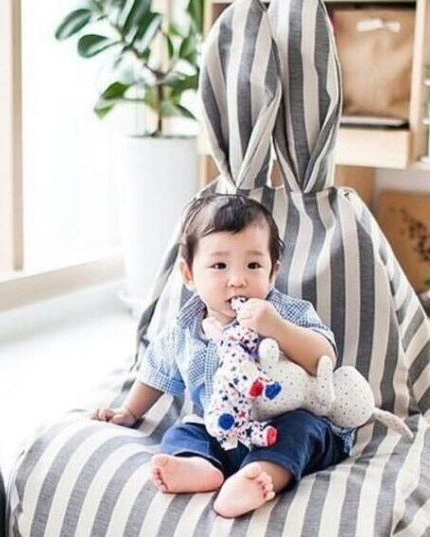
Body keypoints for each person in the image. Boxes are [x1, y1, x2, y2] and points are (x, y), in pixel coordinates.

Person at [92, 194, 352, 518]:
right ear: (189, 275)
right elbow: (156, 371)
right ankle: (200, 467)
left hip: (278, 426)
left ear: (272, 272)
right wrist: (129, 412)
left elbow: (324, 358)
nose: (237, 280)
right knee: (184, 431)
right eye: (219, 266)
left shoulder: (286, 313)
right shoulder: (185, 330)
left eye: (253, 265)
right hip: (222, 428)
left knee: (304, 429)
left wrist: (277, 327)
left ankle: (261, 475)